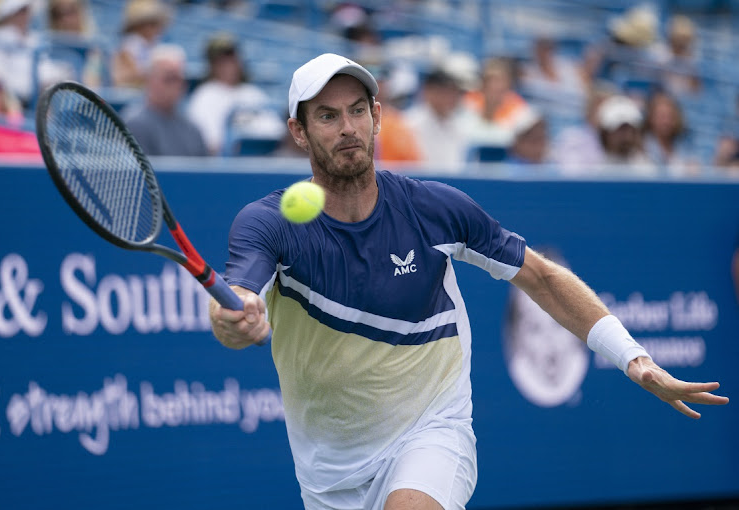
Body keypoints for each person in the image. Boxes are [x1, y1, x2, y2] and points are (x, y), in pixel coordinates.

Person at [208, 53, 729, 510]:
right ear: (298, 131)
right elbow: (238, 303)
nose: (347, 126)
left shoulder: (433, 209)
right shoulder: (269, 223)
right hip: (327, 472)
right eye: (326, 115)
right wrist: (235, 321)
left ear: (377, 117)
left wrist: (634, 359)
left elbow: (542, 278)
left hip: (430, 433)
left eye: (357, 110)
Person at [186, 32, 284, 156]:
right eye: (222, 61)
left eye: (232, 58)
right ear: (212, 65)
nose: (229, 65)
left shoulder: (253, 93)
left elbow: (276, 133)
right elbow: (210, 145)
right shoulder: (204, 95)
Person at [122, 44, 208, 157]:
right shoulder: (134, 124)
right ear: (150, 80)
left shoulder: (193, 129)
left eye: (179, 80)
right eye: (169, 78)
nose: (176, 86)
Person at [0, 0, 40, 106]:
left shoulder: (33, 40)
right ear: (8, 14)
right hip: (11, 109)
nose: (26, 15)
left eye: (26, 10)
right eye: (21, 10)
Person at [111, 0, 170, 88]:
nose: (157, 29)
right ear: (139, 25)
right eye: (152, 24)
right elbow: (133, 75)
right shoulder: (130, 44)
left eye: (157, 24)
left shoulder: (151, 45)